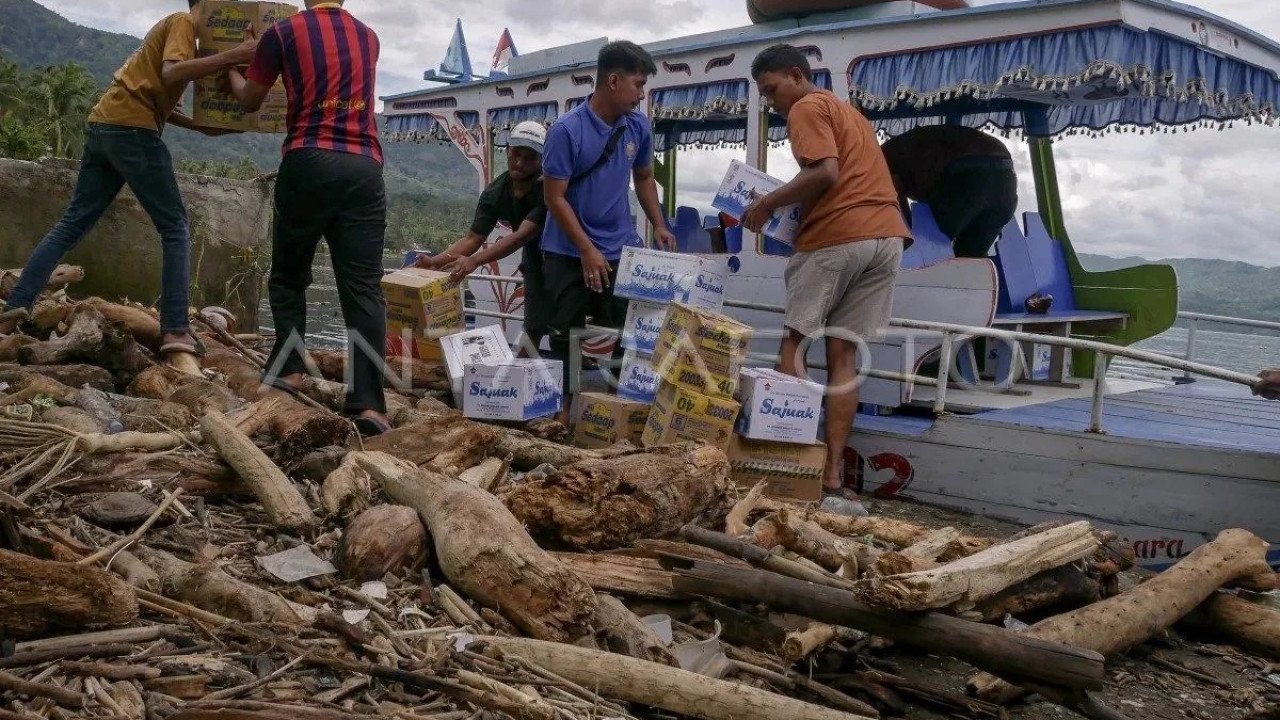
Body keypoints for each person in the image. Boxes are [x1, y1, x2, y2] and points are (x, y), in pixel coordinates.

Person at [0, 1, 256, 346]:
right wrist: (233, 56)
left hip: (104, 125)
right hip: (133, 132)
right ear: (209, 6)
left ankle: (15, 308)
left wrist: (202, 127)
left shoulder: (167, 29)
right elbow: (171, 73)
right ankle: (176, 328)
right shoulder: (183, 22)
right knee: (176, 228)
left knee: (72, 223)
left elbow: (148, 89)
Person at [743, 44, 911, 500]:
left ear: (796, 76)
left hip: (839, 237)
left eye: (771, 90)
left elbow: (826, 173)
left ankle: (784, 471)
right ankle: (833, 477)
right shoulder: (850, 113)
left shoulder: (806, 106)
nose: (770, 102)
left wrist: (766, 204)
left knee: (793, 346)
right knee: (844, 357)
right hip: (887, 238)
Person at [227, 0, 390, 436]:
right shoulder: (369, 37)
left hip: (309, 159)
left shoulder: (281, 34)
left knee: (288, 275)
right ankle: (370, 405)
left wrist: (235, 65)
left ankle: (290, 369)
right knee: (363, 289)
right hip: (365, 167)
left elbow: (249, 100)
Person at [540, 40, 676, 417]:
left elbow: (645, 176)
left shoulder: (638, 127)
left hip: (618, 247)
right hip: (567, 250)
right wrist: (586, 249)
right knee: (565, 332)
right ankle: (563, 409)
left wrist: (659, 224)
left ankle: (618, 406)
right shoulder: (567, 131)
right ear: (613, 81)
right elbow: (555, 198)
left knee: (626, 327)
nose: (642, 94)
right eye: (638, 84)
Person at [415, 120, 550, 354]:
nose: (519, 163)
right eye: (516, 154)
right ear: (507, 151)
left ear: (542, 160)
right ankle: (520, 372)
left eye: (530, 158)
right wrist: (435, 261)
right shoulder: (495, 193)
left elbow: (522, 235)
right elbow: (472, 239)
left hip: (563, 252)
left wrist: (475, 261)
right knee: (535, 322)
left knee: (567, 323)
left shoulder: (547, 186)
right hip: (535, 255)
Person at [880, 124, 1017, 258]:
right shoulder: (895, 152)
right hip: (1006, 179)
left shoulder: (875, 163)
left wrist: (910, 236)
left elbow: (896, 201)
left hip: (968, 171)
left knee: (927, 243)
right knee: (969, 258)